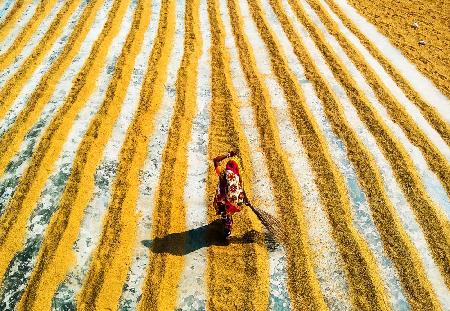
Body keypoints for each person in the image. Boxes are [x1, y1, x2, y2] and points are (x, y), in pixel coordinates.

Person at [212, 151, 249, 238]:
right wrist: (245, 199)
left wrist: (228, 154)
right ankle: (227, 226)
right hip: (231, 202)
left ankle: (227, 226)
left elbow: (216, 160)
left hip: (221, 200)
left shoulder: (222, 173)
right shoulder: (236, 177)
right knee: (227, 212)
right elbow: (241, 189)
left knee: (224, 212)